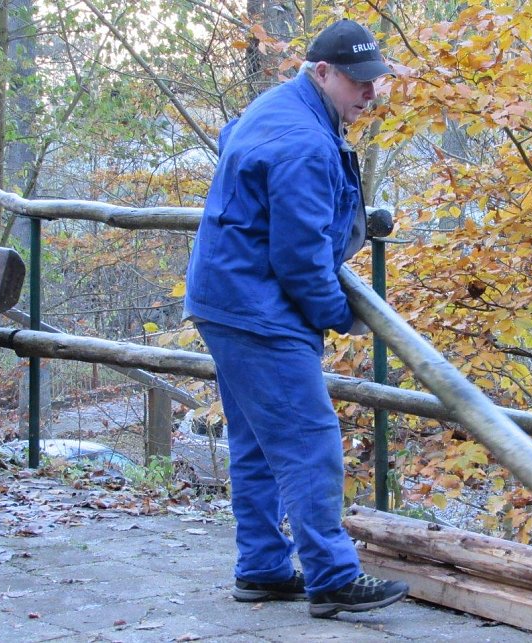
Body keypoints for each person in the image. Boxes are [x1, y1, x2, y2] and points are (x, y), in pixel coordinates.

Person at [183, 19, 408, 619]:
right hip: (257, 306)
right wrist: (342, 316)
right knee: (311, 439)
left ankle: (261, 568)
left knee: (257, 441)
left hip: (226, 295)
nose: (367, 94)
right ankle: (333, 576)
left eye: (374, 82)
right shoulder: (304, 142)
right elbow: (301, 259)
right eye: (357, 83)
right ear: (322, 72)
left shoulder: (282, 107)